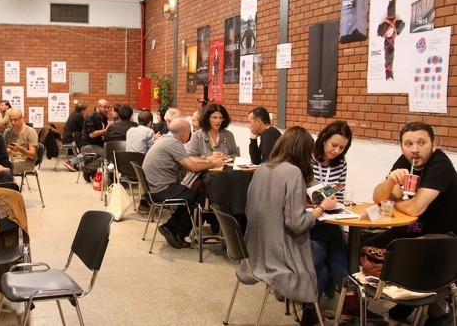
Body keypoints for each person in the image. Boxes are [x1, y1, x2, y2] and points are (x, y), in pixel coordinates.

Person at [361, 121, 457, 322]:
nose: (415, 149)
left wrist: (394, 202)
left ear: (433, 144)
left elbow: (415, 208)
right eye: (409, 144)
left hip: (446, 234)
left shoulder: (440, 165)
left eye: (421, 143)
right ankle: (407, 296)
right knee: (367, 245)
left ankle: (440, 309)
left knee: (407, 254)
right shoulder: (404, 161)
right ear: (402, 146)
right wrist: (390, 182)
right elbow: (378, 198)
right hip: (415, 228)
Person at [243, 126, 337, 325]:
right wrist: (321, 208)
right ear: (303, 151)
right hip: (278, 256)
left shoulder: (263, 167)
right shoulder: (293, 173)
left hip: (255, 250)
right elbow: (296, 224)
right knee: (326, 246)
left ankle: (325, 301)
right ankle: (333, 297)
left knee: (332, 237)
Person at [142, 118, 226, 249]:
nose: (190, 135)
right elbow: (191, 166)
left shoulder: (166, 139)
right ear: (182, 134)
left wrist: (206, 159)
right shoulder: (173, 143)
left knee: (193, 192)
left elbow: (186, 158)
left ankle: (171, 227)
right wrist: (214, 164)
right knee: (200, 197)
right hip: (162, 190)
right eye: (189, 132)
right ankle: (177, 231)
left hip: (153, 188)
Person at [310, 120, 352, 304]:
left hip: (329, 217)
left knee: (333, 239)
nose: (336, 151)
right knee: (333, 242)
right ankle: (349, 298)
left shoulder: (340, 164)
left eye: (342, 148)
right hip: (309, 220)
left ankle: (311, 308)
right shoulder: (307, 159)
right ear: (324, 139)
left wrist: (336, 203)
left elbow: (339, 194)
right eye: (334, 145)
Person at [3, 109, 38, 175]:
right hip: (10, 160)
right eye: (11, 120)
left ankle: (9, 184)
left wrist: (20, 149)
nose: (13, 122)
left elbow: (32, 156)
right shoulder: (7, 132)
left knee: (4, 169)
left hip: (26, 162)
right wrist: (6, 151)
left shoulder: (30, 132)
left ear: (22, 118)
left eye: (15, 120)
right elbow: (2, 150)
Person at [62, 103, 88, 172]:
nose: (86, 112)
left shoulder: (73, 114)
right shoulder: (79, 116)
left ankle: (74, 162)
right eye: (86, 110)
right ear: (82, 110)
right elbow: (85, 128)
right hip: (70, 140)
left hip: (67, 138)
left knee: (86, 148)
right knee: (88, 149)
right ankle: (71, 162)